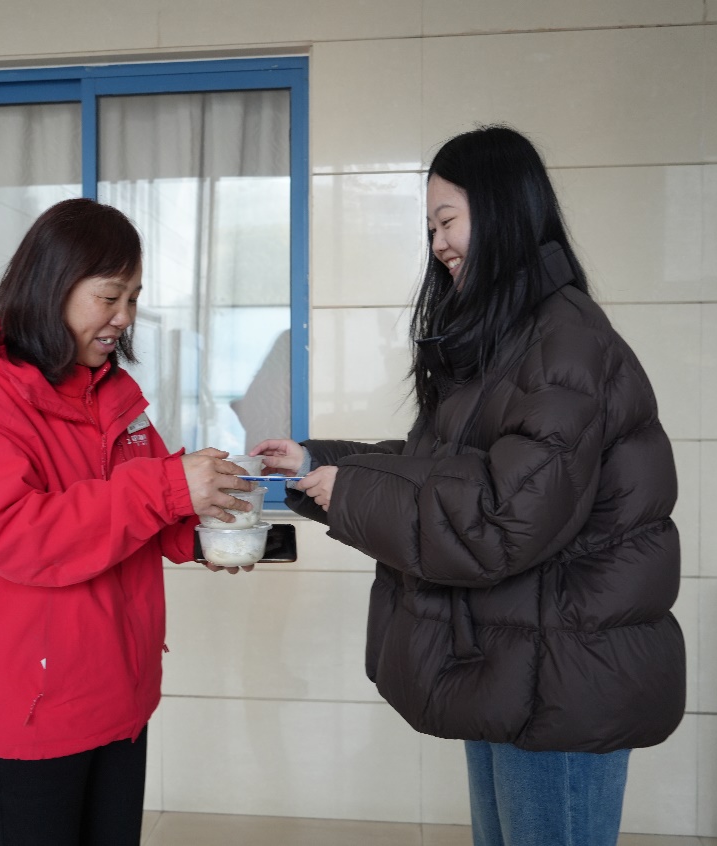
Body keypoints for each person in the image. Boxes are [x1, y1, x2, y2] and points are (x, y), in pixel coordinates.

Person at [253, 125, 685, 846]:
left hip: (562, 680)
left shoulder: (564, 343)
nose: (438, 245)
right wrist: (316, 464)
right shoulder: (512, 339)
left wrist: (349, 492)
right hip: (517, 662)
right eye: (430, 228)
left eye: (447, 220)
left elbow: (500, 516)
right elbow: (447, 466)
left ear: (503, 210)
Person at [0, 198, 256, 846]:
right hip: (33, 707)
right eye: (110, 297)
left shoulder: (111, 393)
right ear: (53, 287)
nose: (124, 317)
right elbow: (18, 537)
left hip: (119, 692)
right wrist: (168, 487)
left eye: (133, 298)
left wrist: (208, 528)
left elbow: (146, 510)